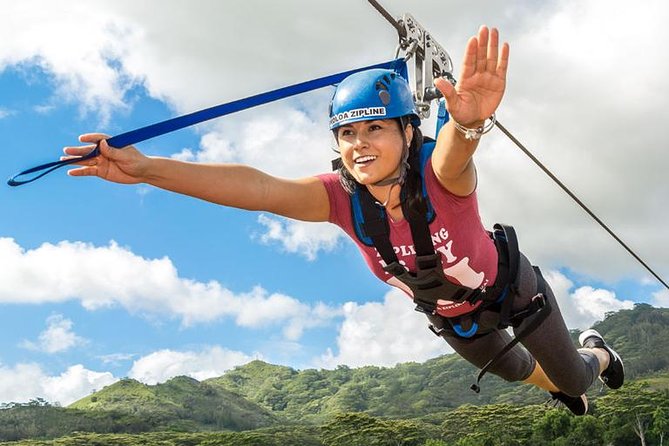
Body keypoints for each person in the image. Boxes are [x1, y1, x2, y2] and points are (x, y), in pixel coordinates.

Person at [63, 26, 623, 415]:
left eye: (375, 128)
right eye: (348, 133)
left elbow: (457, 148)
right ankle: (558, 384)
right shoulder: (340, 199)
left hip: (512, 290)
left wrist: (471, 124)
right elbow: (257, 188)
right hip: (453, 314)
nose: (359, 144)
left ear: (408, 132)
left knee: (575, 375)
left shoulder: (439, 174)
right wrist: (146, 170)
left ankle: (596, 351)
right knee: (512, 369)